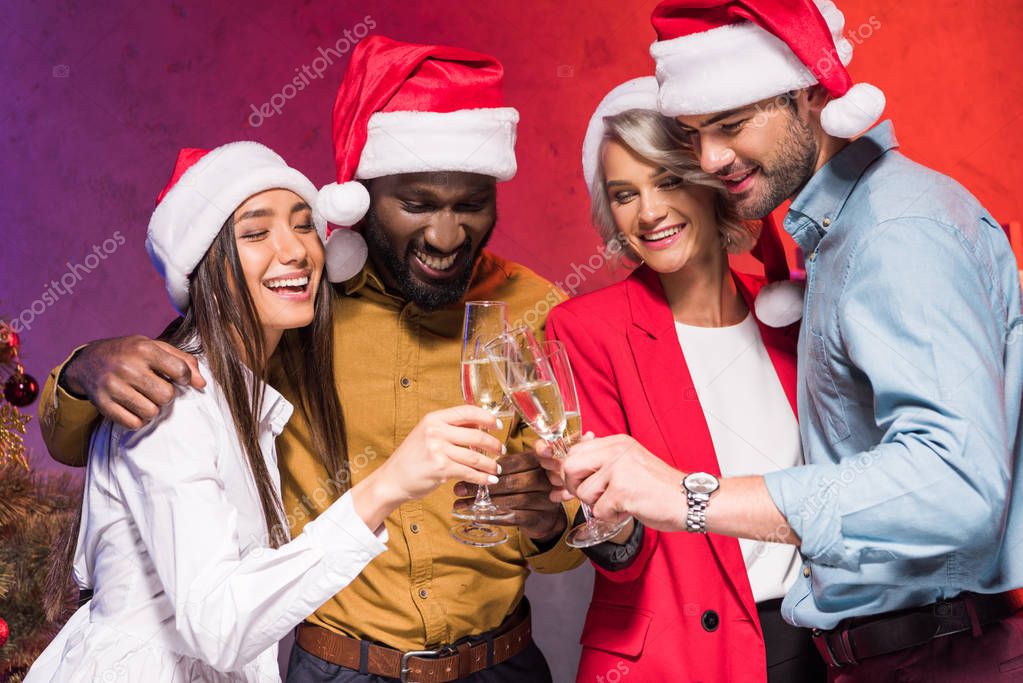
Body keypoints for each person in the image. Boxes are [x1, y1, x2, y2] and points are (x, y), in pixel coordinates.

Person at [38, 37, 581, 683]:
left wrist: (552, 522)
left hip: (499, 661)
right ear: (361, 197)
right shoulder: (299, 306)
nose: (444, 235)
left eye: (468, 204)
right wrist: (81, 369)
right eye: (415, 204)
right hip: (338, 666)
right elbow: (123, 424)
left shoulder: (532, 307)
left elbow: (564, 527)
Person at [551, 2, 1023, 681]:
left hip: (941, 651)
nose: (711, 158)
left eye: (731, 124)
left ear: (806, 91)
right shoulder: (834, 245)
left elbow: (953, 482)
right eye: (692, 134)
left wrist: (691, 497)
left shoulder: (891, 232)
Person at [538, 76, 821, 682]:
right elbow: (620, 553)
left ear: (714, 183)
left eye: (668, 180)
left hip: (812, 648)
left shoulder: (793, 316)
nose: (649, 212)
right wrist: (603, 515)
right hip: (675, 661)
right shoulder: (586, 330)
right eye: (624, 193)